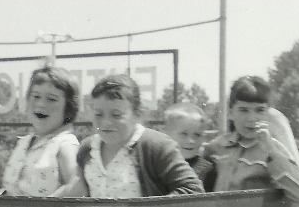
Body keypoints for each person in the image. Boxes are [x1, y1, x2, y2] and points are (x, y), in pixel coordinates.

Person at [54, 74, 204, 198]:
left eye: (116, 115)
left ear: (136, 113)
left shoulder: (155, 145)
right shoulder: (87, 148)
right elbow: (75, 190)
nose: (106, 122)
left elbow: (192, 189)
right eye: (98, 114)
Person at [202, 76, 299, 202]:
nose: (252, 118)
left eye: (259, 110)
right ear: (230, 113)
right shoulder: (216, 148)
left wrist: (271, 151)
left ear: (268, 114)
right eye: (243, 110)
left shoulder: (275, 149)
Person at [0, 65, 80, 196]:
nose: (41, 104)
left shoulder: (65, 144)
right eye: (36, 96)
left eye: (52, 99)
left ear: (68, 108)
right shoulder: (24, 142)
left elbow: (77, 187)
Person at [164, 102, 217, 192]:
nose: (191, 141)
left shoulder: (207, 170)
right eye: (184, 134)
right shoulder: (159, 164)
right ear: (167, 134)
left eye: (197, 135)